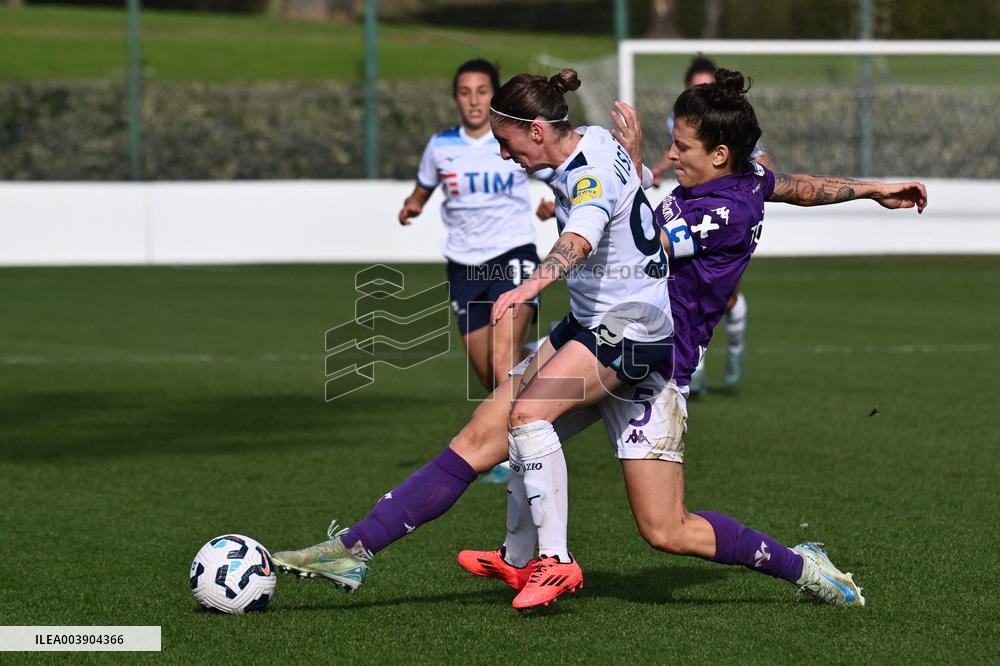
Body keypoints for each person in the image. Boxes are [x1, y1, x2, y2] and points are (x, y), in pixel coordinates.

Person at [272, 70, 926, 611]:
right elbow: (797, 187)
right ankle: (356, 552)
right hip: (599, 336)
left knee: (665, 529)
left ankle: (798, 566)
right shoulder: (744, 175)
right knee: (485, 433)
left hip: (651, 357)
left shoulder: (724, 209)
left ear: (719, 157)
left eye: (684, 149)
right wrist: (872, 191)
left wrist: (542, 274)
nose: (674, 155)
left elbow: (623, 231)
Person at [397, 58, 548, 484]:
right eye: (465, 92)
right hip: (464, 267)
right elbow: (424, 187)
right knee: (488, 371)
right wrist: (413, 204)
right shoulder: (440, 146)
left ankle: (513, 453)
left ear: (494, 97)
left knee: (502, 361)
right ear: (456, 99)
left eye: (482, 91)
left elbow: (558, 171)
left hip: (513, 255)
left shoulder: (513, 138)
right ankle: (538, 358)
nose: (474, 100)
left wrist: (555, 203)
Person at [650, 55, 772, 394]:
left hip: (722, 231)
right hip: (648, 337)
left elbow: (647, 246)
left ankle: (727, 353)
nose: (675, 153)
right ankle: (696, 366)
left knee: (723, 297)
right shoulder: (687, 128)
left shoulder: (727, 202)